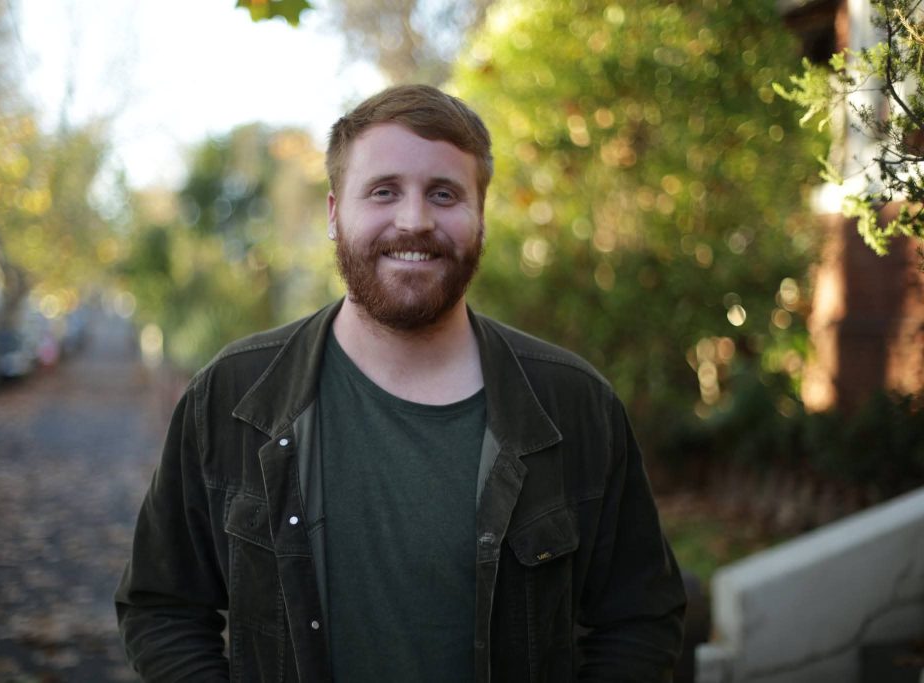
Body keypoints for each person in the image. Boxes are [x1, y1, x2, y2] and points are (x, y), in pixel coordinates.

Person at [115, 84, 687, 682]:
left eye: (444, 194)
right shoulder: (231, 398)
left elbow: (640, 620)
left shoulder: (575, 406)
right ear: (335, 214)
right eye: (384, 191)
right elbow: (162, 608)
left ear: (480, 217)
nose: (414, 221)